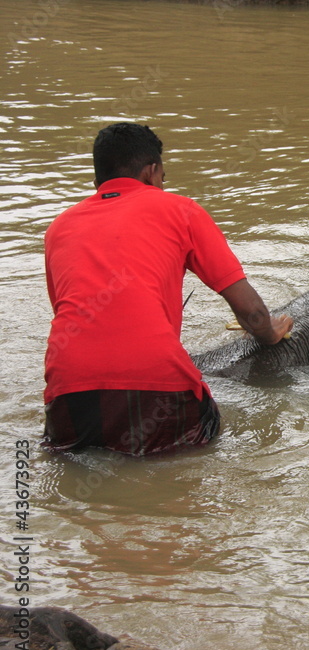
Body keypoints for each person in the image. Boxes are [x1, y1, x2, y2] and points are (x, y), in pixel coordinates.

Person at [42, 122, 293, 456]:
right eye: (162, 177)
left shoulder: (58, 229)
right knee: (201, 450)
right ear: (152, 171)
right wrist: (269, 334)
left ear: (97, 181)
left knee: (77, 463)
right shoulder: (181, 210)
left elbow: (70, 311)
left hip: (68, 391)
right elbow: (252, 312)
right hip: (157, 387)